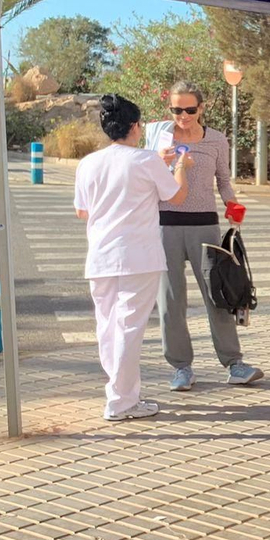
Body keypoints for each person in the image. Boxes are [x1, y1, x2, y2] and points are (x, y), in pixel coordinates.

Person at [73, 95, 193, 421]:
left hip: (101, 255)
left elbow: (82, 211)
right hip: (138, 256)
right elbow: (177, 195)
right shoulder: (146, 160)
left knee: (108, 327)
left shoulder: (88, 163)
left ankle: (120, 392)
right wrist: (180, 165)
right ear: (135, 126)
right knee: (128, 328)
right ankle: (121, 401)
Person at [146, 82, 262, 391]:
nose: (183, 116)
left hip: (205, 226)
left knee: (217, 296)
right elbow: (145, 179)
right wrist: (159, 161)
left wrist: (232, 205)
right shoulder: (158, 137)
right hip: (165, 226)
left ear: (201, 108)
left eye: (189, 109)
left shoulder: (216, 140)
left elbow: (223, 180)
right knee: (170, 300)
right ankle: (181, 368)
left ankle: (234, 363)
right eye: (176, 110)